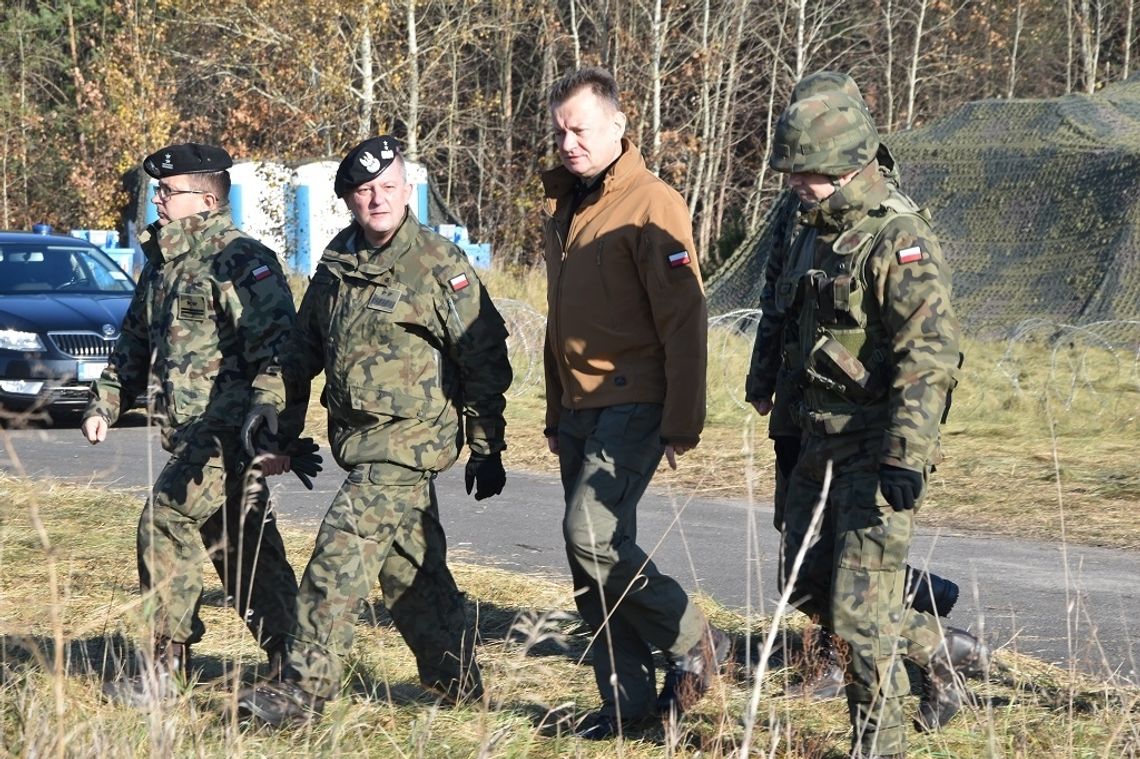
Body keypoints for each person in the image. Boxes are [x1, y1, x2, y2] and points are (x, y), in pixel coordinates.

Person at [234, 135, 512, 726]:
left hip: (411, 442)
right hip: (360, 444)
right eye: (364, 190)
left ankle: (302, 690)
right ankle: (459, 686)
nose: (377, 199)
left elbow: (483, 357)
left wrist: (486, 446)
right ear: (348, 200)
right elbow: (302, 348)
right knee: (410, 574)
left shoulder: (438, 264)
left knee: (339, 551)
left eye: (388, 187)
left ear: (408, 191)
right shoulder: (339, 262)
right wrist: (270, 406)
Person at [768, 92, 988, 758]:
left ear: (843, 165)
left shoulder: (899, 237)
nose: (793, 182)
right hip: (815, 439)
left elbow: (930, 354)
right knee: (802, 582)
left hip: (874, 444)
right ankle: (938, 647)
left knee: (860, 621)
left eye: (803, 170)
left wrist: (905, 453)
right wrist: (783, 425)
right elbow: (793, 330)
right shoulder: (809, 229)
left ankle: (880, 747)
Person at [541, 67, 729, 740]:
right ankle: (625, 704)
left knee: (589, 535)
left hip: (636, 400)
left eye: (580, 129)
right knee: (590, 561)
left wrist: (682, 419)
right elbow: (558, 320)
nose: (568, 143)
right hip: (580, 406)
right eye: (560, 132)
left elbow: (685, 318)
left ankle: (696, 638)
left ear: (618, 126)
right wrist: (555, 411)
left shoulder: (653, 203)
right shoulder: (566, 206)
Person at [81, 142, 302, 706]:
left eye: (168, 191)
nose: (157, 199)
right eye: (157, 190)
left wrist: (270, 427)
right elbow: (134, 343)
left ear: (206, 200)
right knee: (243, 546)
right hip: (186, 434)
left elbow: (280, 351)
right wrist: (106, 403)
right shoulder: (163, 262)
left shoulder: (240, 260)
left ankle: (164, 669)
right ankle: (297, 662)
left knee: (164, 520)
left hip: (227, 433)